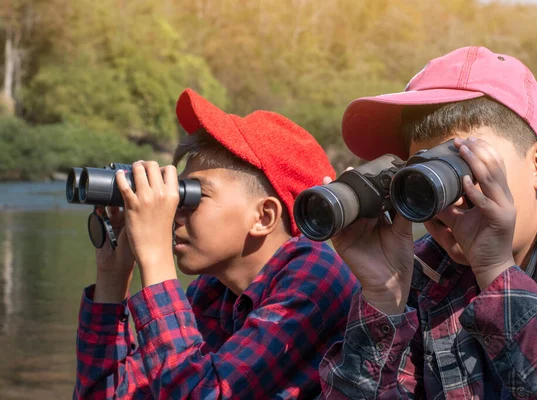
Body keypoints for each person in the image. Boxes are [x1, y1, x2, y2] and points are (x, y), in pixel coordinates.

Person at [319, 46, 537, 399]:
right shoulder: (426, 268)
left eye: (464, 169)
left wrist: (496, 271)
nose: (448, 198)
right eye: (423, 176)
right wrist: (383, 297)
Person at [73, 88, 359, 399]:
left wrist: (155, 258)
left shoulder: (314, 275)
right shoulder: (214, 293)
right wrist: (112, 279)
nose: (174, 212)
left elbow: (201, 393)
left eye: (193, 195)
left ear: (263, 216)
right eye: (179, 193)